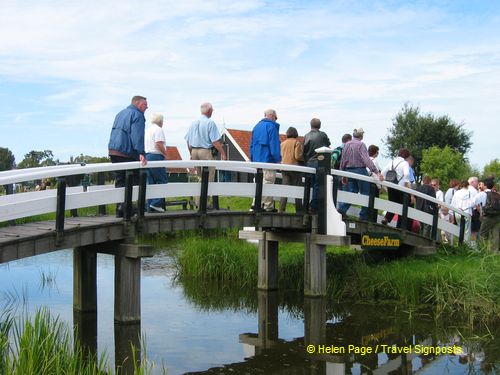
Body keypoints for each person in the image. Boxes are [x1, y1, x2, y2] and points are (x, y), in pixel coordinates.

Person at [108, 95, 148, 217]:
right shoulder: (137, 115)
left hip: (114, 150)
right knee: (134, 179)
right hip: (127, 151)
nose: (147, 107)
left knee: (120, 180)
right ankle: (128, 208)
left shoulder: (120, 113)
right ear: (138, 104)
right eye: (145, 105)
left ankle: (120, 209)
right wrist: (141, 152)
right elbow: (137, 135)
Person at [184, 102, 227, 209]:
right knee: (208, 177)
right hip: (205, 152)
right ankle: (204, 203)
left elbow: (188, 142)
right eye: (212, 110)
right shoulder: (210, 123)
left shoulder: (193, 123)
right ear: (209, 111)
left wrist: (191, 154)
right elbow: (215, 142)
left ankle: (198, 202)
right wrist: (223, 153)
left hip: (194, 151)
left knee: (200, 177)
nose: (212, 111)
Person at [337, 128, 381, 221]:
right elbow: (366, 159)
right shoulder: (361, 145)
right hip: (360, 170)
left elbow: (343, 160)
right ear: (361, 135)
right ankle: (363, 216)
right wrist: (376, 172)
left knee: (352, 192)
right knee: (365, 193)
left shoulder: (346, 145)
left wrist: (342, 173)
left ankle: (342, 209)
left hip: (348, 171)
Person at [250, 109, 281, 212]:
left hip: (257, 161)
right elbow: (274, 145)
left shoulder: (256, 127)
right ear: (272, 116)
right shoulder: (272, 127)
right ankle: (267, 206)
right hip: (268, 161)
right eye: (276, 118)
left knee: (258, 182)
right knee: (268, 182)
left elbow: (251, 145)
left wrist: (252, 159)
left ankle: (255, 203)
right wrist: (278, 159)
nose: (276, 120)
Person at [303, 118, 331, 213]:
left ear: (311, 125)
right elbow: (328, 146)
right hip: (319, 163)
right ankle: (313, 206)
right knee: (317, 185)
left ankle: (306, 206)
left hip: (309, 163)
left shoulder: (306, 136)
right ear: (320, 125)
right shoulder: (323, 135)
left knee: (308, 184)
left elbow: (304, 151)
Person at [380, 148, 411, 227]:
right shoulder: (405, 163)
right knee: (404, 206)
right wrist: (406, 183)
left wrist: (384, 185)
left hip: (391, 187)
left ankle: (386, 219)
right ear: (406, 156)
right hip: (400, 188)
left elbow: (383, 172)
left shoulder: (392, 161)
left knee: (393, 204)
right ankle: (400, 225)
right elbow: (406, 173)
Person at [144, 113, 169, 213]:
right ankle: (156, 203)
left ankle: (150, 205)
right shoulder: (158, 129)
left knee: (151, 182)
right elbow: (158, 143)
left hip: (148, 156)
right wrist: (166, 154)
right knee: (162, 180)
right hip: (156, 156)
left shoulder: (148, 130)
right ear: (161, 121)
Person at [279, 126, 304, 213]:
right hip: (294, 168)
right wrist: (303, 159)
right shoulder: (297, 143)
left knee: (284, 190)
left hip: (284, 168)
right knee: (297, 189)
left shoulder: (282, 143)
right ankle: (299, 210)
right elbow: (297, 156)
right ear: (295, 134)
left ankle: (281, 210)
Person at [479, 178, 499, 251]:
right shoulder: (497, 194)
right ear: (493, 186)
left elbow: (473, 202)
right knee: (495, 234)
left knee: (482, 234)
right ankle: (494, 251)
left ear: (485, 185)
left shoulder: (482, 194)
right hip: (497, 216)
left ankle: (484, 250)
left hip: (488, 216)